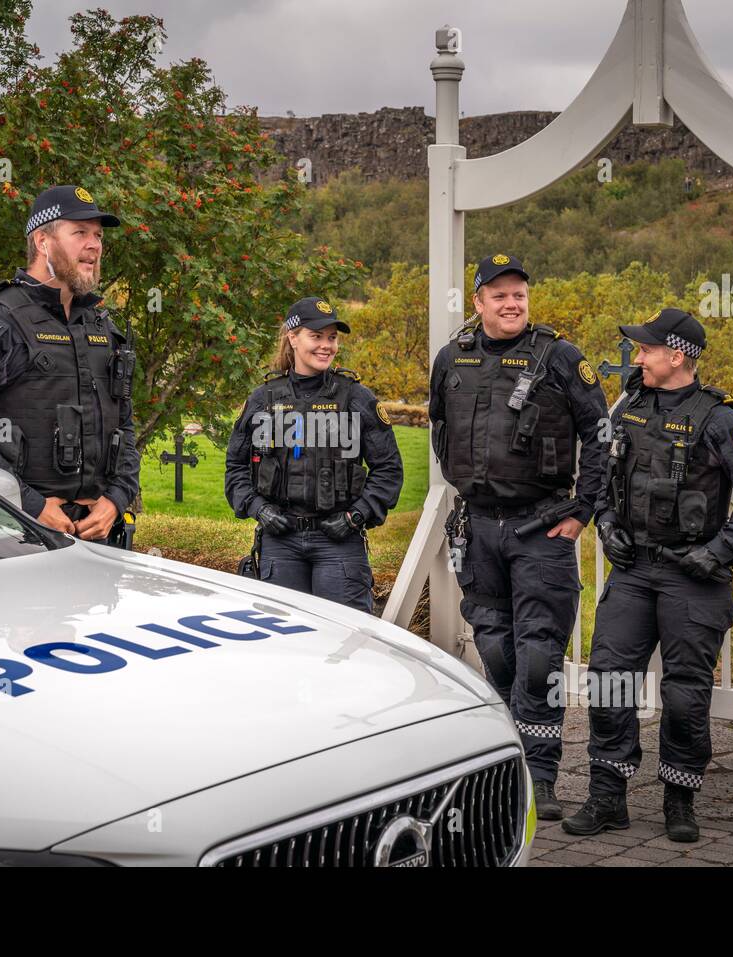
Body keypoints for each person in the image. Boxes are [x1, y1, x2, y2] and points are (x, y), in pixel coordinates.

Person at [564, 307, 733, 842]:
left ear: (675, 355)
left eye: (644, 349)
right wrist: (608, 523)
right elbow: (608, 480)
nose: (636, 357)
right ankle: (607, 796)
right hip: (634, 571)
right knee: (609, 680)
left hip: (693, 577)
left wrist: (719, 552)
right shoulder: (630, 405)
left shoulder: (721, 421)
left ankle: (679, 799)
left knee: (685, 692)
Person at [429, 253, 610, 821]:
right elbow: (439, 427)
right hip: (479, 528)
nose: (512, 304)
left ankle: (542, 775)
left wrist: (583, 508)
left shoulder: (560, 358)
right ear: (478, 302)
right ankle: (505, 760)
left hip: (542, 529)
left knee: (538, 657)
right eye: (500, 295)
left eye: (520, 295)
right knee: (494, 647)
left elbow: (600, 435)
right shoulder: (452, 358)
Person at [0, 185, 140, 546]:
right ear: (43, 242)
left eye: (98, 235)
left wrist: (115, 500)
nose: (95, 245)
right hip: (13, 537)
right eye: (80, 233)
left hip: (98, 539)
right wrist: (31, 505)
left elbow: (124, 426)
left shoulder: (102, 327)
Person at [225, 296, 402, 613]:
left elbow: (388, 470)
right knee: (284, 642)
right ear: (292, 338)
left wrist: (354, 517)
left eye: (332, 337)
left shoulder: (356, 398)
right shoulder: (263, 399)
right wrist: (258, 508)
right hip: (280, 543)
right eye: (316, 336)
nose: (327, 346)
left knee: (345, 644)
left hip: (339, 544)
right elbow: (236, 469)